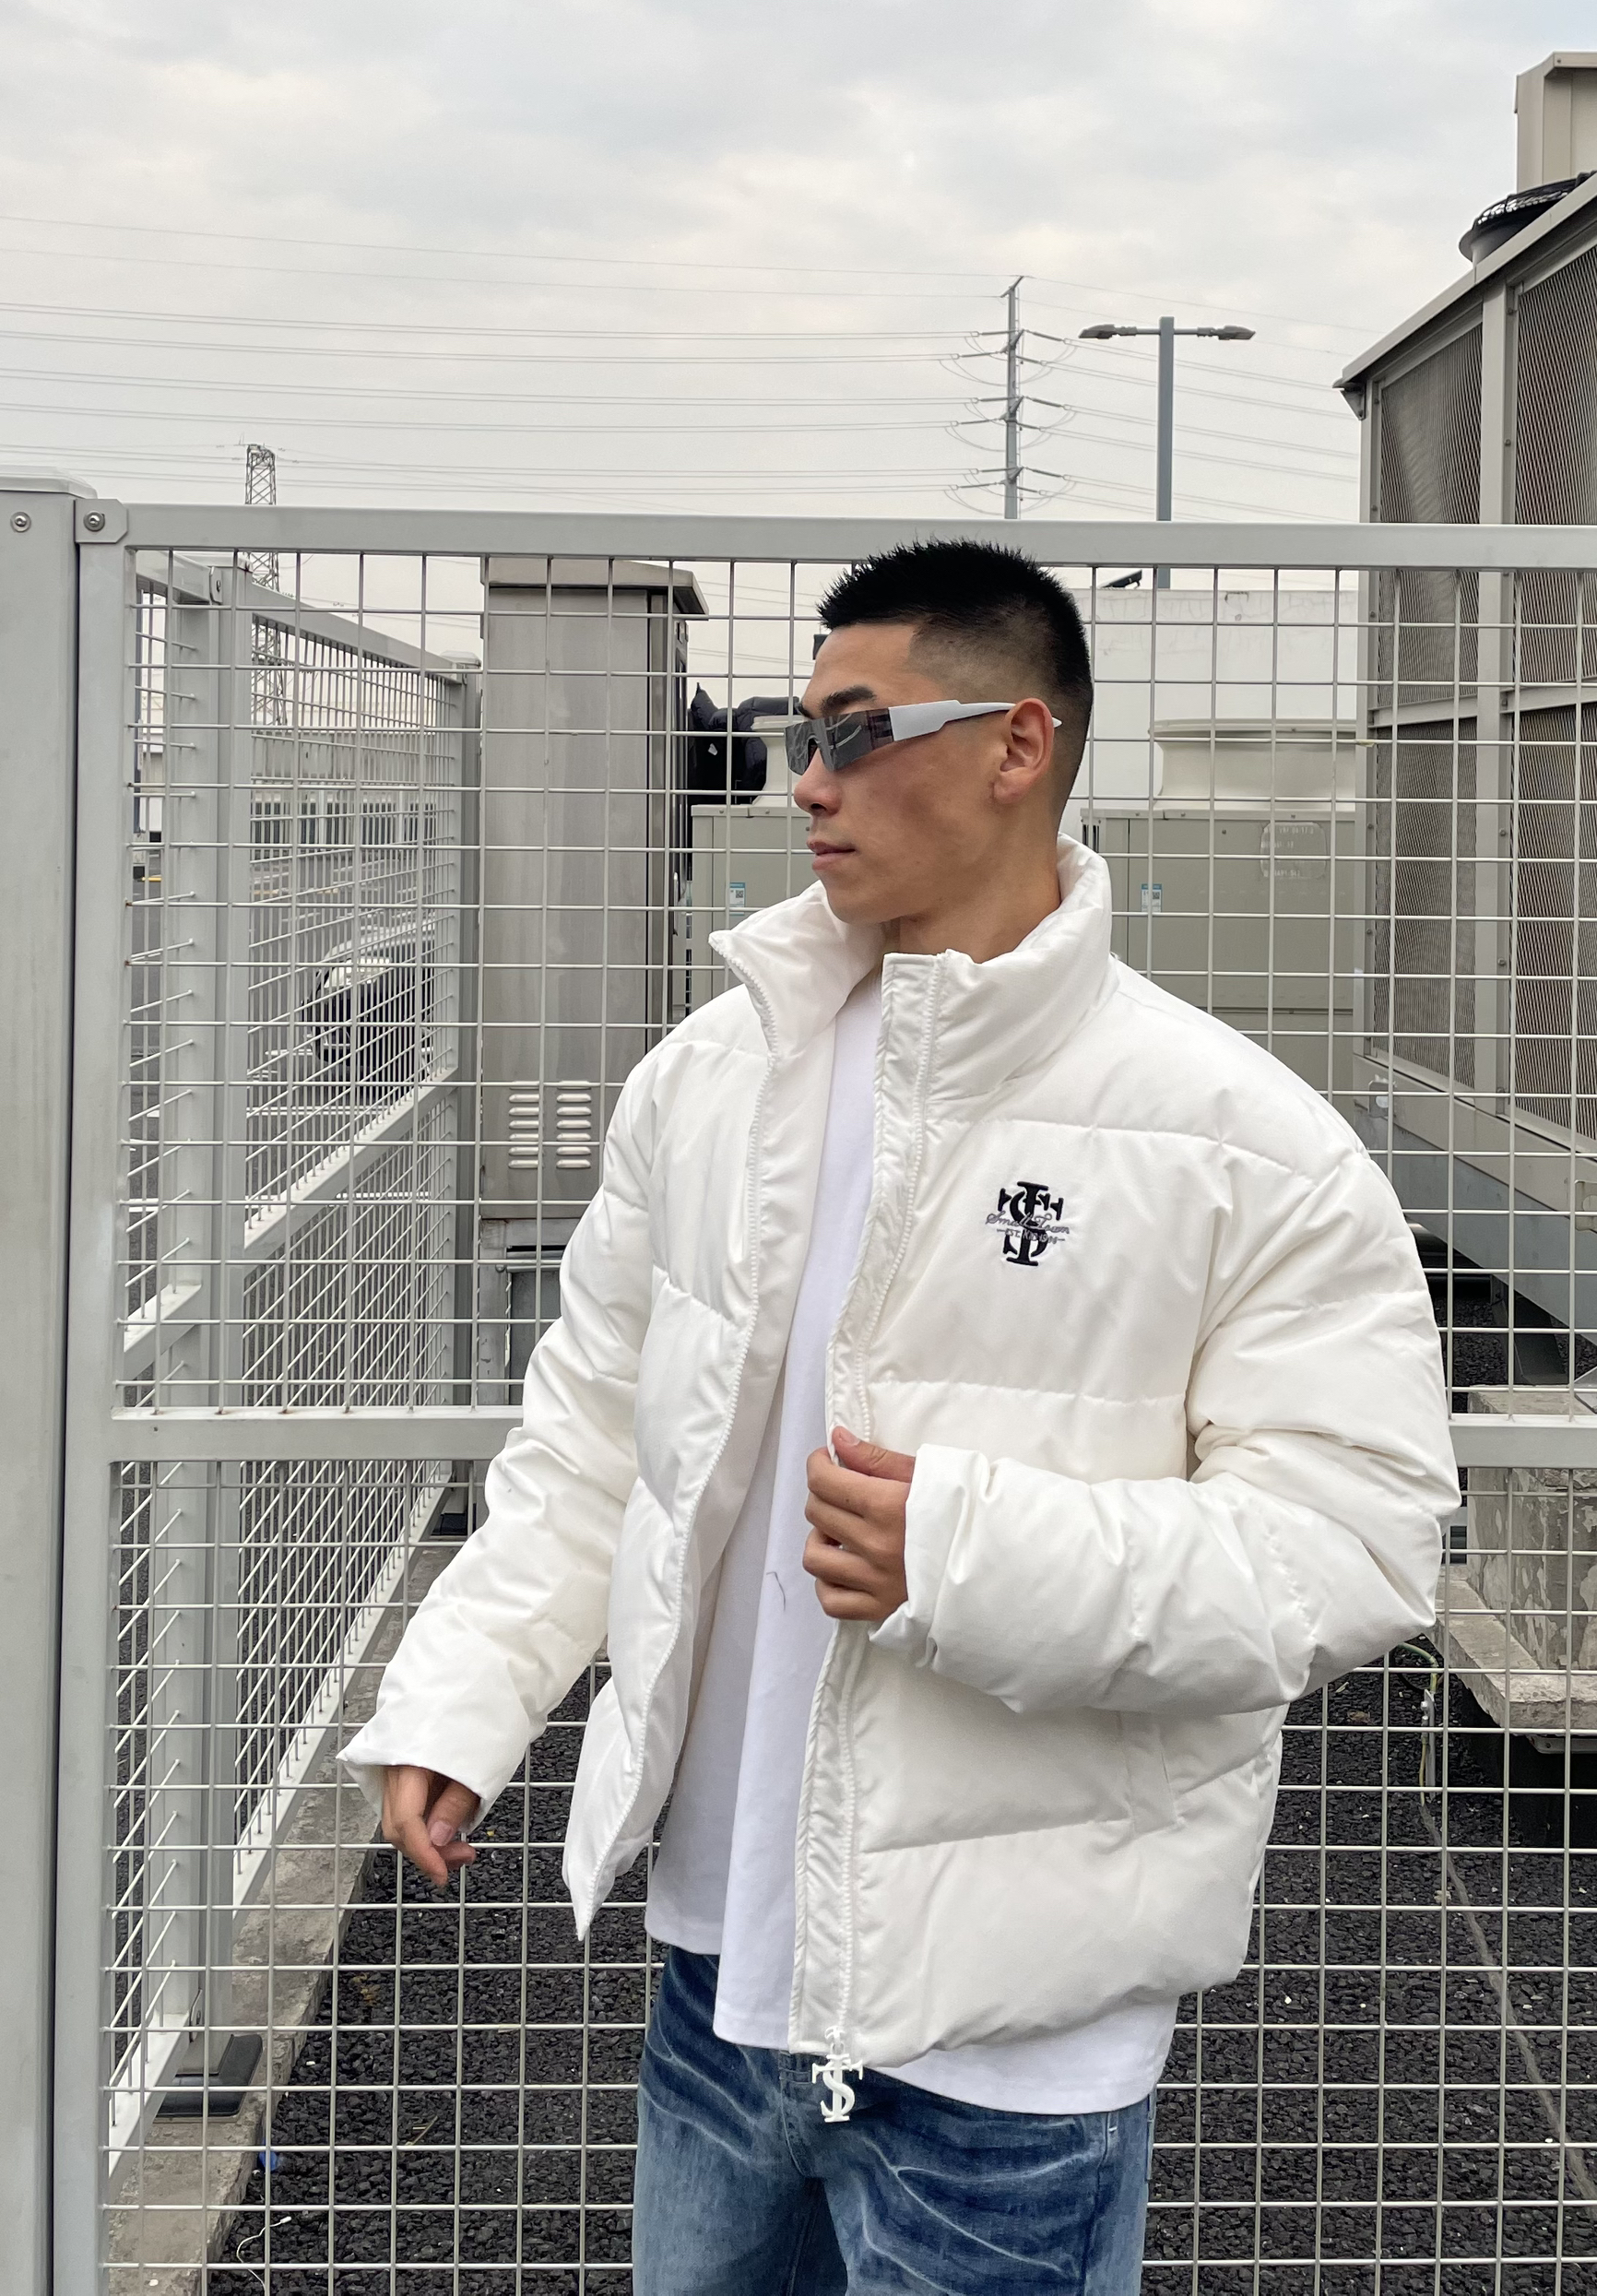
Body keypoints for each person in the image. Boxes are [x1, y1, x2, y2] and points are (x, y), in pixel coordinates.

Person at [342, 539, 1458, 2294]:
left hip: (1014, 2047)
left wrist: (962, 1552)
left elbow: (1355, 1547)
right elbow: (595, 1438)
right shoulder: (706, 1083)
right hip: (720, 1979)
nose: (808, 780)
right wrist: (465, 1692)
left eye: (858, 732)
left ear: (1017, 745)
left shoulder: (1243, 1143)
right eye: (804, 733)